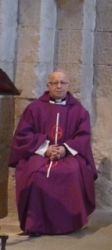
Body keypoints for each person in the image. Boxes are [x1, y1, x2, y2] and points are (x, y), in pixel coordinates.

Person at [9, 70, 97, 236]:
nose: (59, 86)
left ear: (68, 85)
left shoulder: (78, 110)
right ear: (48, 85)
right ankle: (35, 223)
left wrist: (65, 149)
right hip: (40, 153)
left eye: (63, 83)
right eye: (55, 83)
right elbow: (23, 134)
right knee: (35, 172)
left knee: (71, 171)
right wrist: (45, 149)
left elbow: (83, 136)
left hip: (68, 154)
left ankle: (70, 223)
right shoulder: (34, 108)